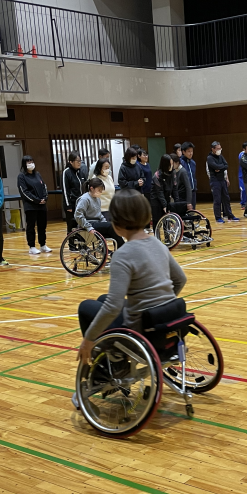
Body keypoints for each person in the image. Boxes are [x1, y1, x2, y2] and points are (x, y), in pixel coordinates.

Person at [74, 189, 188, 408]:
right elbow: (180, 279)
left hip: (139, 328)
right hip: (164, 321)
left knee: (86, 307)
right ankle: (113, 357)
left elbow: (113, 306)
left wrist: (88, 339)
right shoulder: (158, 244)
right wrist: (162, 302)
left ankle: (114, 363)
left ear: (116, 225)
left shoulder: (123, 255)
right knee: (101, 297)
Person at [75, 178, 125, 249]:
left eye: (101, 190)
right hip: (88, 224)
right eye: (99, 190)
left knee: (113, 227)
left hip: (96, 223)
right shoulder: (84, 199)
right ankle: (123, 249)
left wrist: (104, 223)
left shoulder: (97, 199)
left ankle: (118, 250)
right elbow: (78, 215)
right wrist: (89, 227)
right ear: (92, 188)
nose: (101, 192)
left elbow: (99, 214)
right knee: (111, 226)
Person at [18, 155, 51, 255]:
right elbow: (24, 192)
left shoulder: (37, 174)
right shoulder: (21, 176)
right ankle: (32, 247)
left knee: (42, 226)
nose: (30, 164)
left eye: (31, 161)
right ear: (24, 164)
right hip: (31, 206)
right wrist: (36, 200)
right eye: (28, 162)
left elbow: (44, 187)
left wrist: (44, 198)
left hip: (42, 205)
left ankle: (43, 245)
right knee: (31, 226)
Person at [206, 141, 238, 223]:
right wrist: (221, 167)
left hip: (222, 180)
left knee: (226, 198)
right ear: (213, 149)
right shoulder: (210, 158)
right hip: (215, 181)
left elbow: (226, 165)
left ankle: (229, 215)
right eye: (217, 148)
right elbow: (214, 166)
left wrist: (219, 169)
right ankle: (218, 217)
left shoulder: (221, 156)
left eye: (220, 148)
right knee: (217, 200)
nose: (219, 150)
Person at [149, 155, 172, 228]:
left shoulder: (171, 173)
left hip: (166, 198)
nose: (172, 165)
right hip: (156, 201)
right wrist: (164, 205)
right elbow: (159, 192)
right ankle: (156, 237)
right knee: (157, 221)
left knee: (167, 221)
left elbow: (174, 187)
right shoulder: (157, 175)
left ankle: (168, 238)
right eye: (170, 164)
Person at [180, 142, 198, 209]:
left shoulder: (193, 163)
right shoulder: (180, 162)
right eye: (188, 151)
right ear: (183, 152)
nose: (191, 153)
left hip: (193, 190)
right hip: (184, 191)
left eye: (192, 151)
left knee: (192, 210)